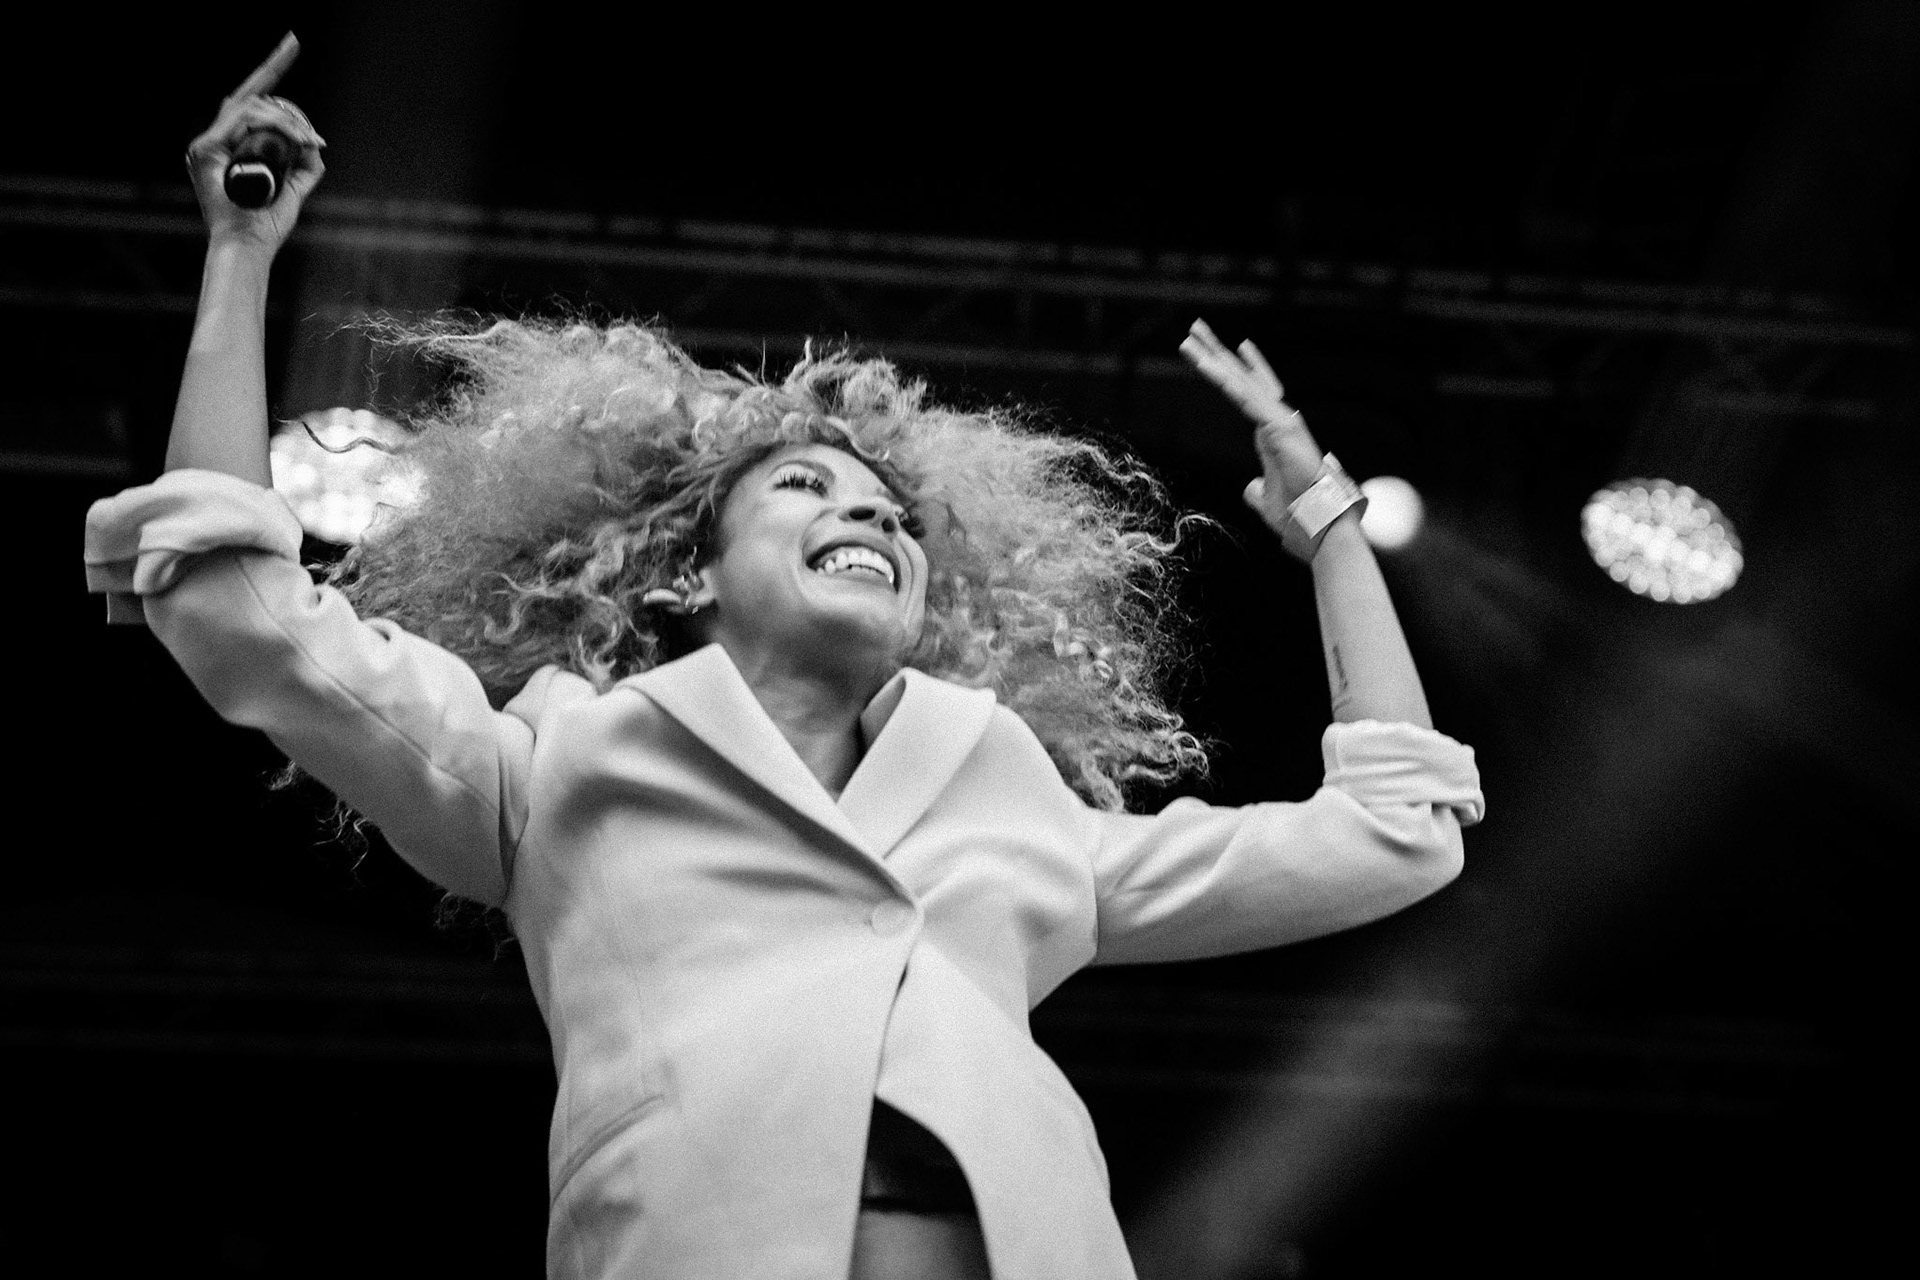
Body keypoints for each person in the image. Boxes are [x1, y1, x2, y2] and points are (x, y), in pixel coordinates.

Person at [83, 43, 1483, 1280]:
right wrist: (241, 256)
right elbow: (233, 604)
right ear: (691, 567)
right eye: (805, 490)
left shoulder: (1018, 802)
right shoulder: (555, 759)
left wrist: (1333, 532)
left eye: (887, 510)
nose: (867, 509)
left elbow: (1392, 838)